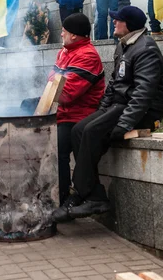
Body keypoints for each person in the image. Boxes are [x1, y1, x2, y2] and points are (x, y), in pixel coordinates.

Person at [53, 6, 163, 223]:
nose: (113, 22)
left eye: (117, 20)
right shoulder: (124, 46)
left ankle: (85, 194)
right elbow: (115, 83)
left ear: (129, 24)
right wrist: (101, 111)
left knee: (89, 131)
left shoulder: (146, 49)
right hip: (119, 104)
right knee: (79, 130)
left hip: (143, 110)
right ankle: (92, 193)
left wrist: (124, 124)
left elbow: (144, 94)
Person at [50, 13, 105, 211]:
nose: (61, 32)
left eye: (65, 29)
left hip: (80, 115)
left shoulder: (87, 55)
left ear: (74, 35)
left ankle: (64, 199)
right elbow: (52, 80)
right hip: (64, 113)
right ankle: (58, 196)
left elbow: (67, 93)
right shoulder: (64, 52)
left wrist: (53, 86)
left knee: (57, 150)